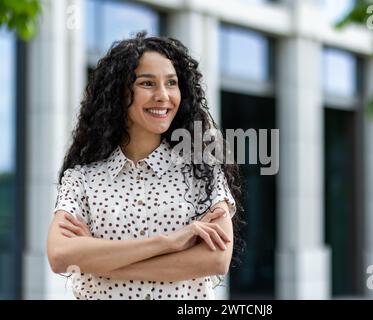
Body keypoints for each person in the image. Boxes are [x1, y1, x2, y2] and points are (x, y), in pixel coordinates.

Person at [46, 31, 243, 300]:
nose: (163, 96)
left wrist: (100, 258)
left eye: (171, 83)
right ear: (119, 92)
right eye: (147, 84)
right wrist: (170, 242)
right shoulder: (82, 179)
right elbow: (59, 256)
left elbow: (215, 259)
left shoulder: (202, 172)